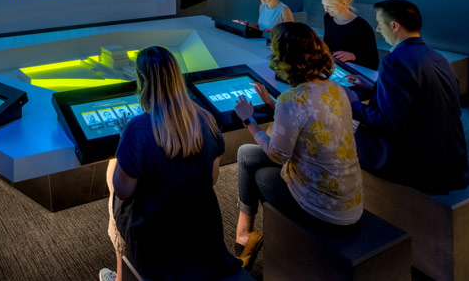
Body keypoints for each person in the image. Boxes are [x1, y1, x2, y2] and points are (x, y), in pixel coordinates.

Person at [100, 46, 241, 281]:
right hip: (201, 225)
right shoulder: (207, 119)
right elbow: (212, 179)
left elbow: (123, 192)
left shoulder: (136, 129)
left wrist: (121, 148)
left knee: (112, 184)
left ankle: (121, 278)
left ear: (143, 79)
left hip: (155, 237)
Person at [234, 22, 363, 267]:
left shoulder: (292, 99)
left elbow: (277, 155)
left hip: (323, 208)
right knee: (246, 154)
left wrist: (248, 119)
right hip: (349, 201)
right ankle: (245, 236)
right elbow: (310, 118)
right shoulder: (338, 89)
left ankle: (244, 238)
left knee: (257, 170)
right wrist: (274, 104)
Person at [345, 0, 469, 194]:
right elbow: (419, 98)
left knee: (341, 135)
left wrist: (352, 104)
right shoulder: (437, 57)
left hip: (415, 163)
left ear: (395, 26)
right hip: (452, 158)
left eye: (380, 24)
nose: (379, 30)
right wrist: (373, 87)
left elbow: (388, 121)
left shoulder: (394, 61)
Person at [321, 0, 379, 70]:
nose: (325, 9)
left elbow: (373, 61)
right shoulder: (327, 17)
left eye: (330, 6)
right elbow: (328, 43)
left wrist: (353, 56)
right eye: (324, 5)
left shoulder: (362, 26)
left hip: (354, 69)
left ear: (344, 3)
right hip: (333, 66)